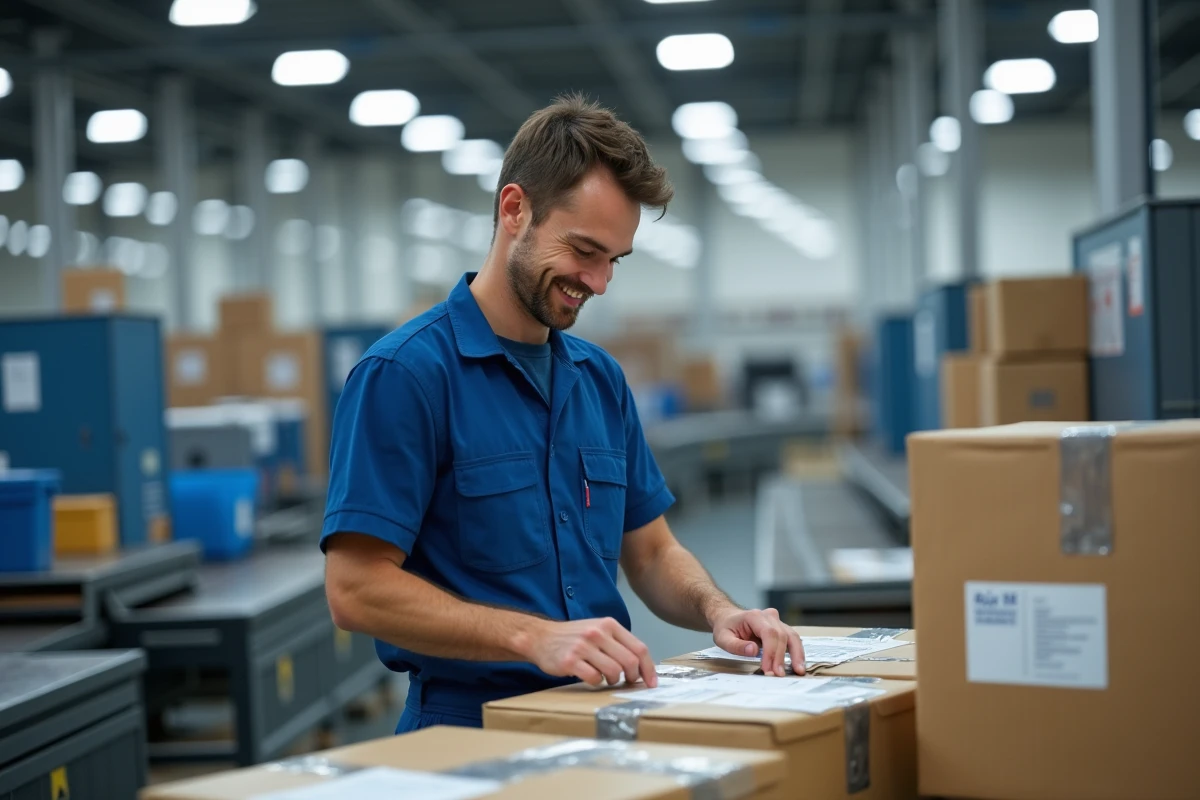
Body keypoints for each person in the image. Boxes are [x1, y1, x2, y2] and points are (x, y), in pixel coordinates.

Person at [321, 94, 805, 733]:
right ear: (515, 210)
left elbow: (653, 553)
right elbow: (355, 589)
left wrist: (719, 610)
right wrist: (531, 637)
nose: (600, 282)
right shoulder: (406, 376)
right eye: (584, 250)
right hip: (465, 727)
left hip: (600, 718)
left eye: (614, 261)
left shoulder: (598, 380)